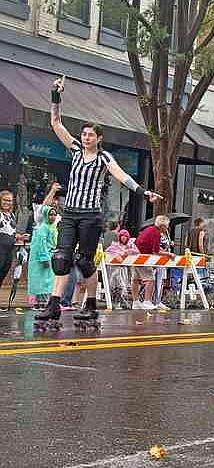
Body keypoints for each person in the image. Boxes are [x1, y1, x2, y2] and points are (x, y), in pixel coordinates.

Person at [34, 77, 162, 328]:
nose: (85, 138)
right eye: (83, 134)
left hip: (91, 215)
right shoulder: (75, 150)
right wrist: (55, 96)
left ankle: (90, 305)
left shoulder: (104, 158)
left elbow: (122, 176)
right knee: (61, 258)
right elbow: (56, 122)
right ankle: (53, 306)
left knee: (84, 261)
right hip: (70, 213)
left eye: (90, 135)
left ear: (99, 138)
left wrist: (143, 192)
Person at [129, 217, 171, 310]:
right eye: (167, 226)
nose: (167, 228)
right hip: (143, 257)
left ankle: (135, 302)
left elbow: (152, 246)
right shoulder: (156, 233)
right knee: (150, 279)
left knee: (135, 279)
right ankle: (147, 301)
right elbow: (156, 251)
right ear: (162, 226)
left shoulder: (149, 229)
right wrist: (169, 254)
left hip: (135, 255)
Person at [28, 205, 58, 309]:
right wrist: (44, 258)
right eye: (50, 214)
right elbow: (41, 244)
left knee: (48, 280)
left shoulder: (52, 227)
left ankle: (44, 303)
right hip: (42, 259)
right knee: (42, 281)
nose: (52, 217)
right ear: (45, 215)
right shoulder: (42, 228)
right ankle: (39, 303)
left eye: (54, 215)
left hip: (50, 255)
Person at [0, 190, 26, 294]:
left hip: (10, 248)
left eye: (10, 200)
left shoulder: (11, 215)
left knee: (3, 273)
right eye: (5, 200)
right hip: (0, 247)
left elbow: (11, 231)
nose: (7, 202)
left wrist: (19, 236)